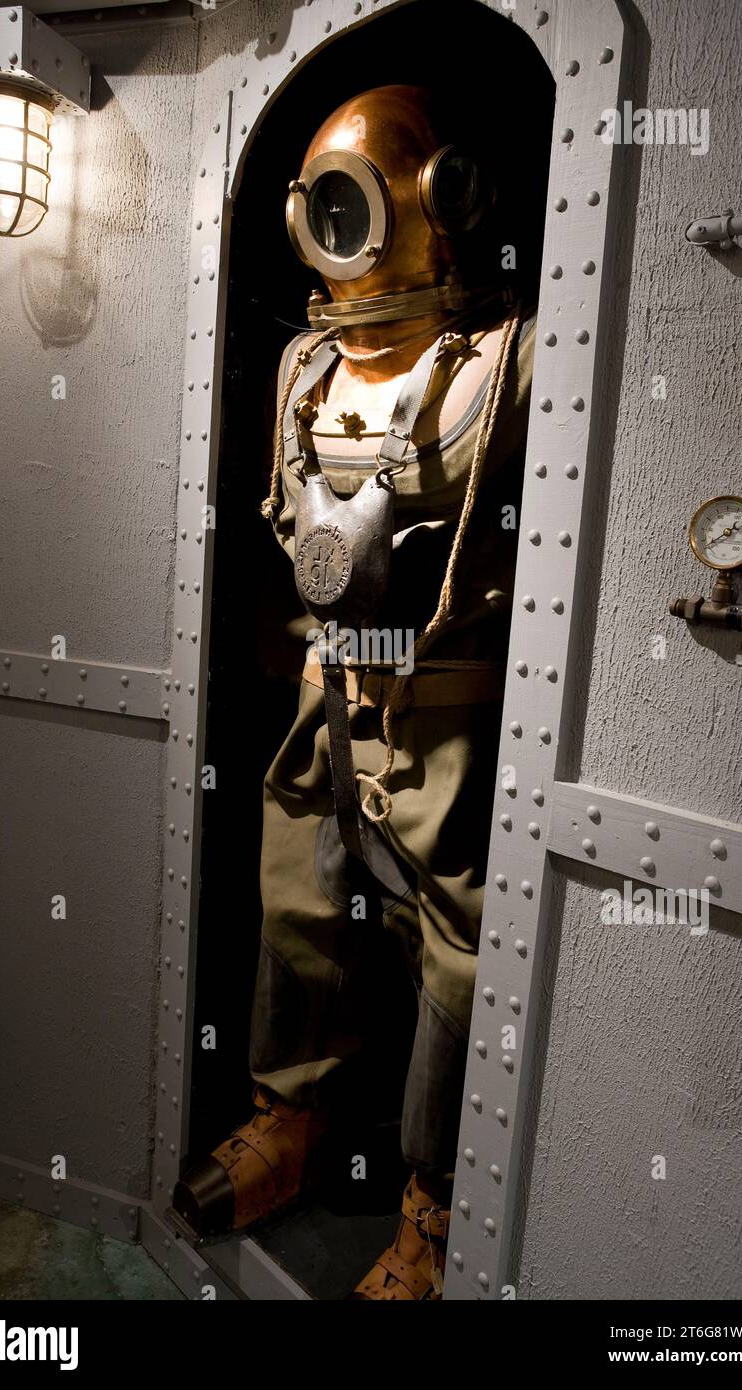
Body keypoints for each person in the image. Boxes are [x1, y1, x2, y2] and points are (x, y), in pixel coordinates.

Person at [173, 84, 536, 1301]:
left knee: (461, 949)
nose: (345, 221)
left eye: (366, 195)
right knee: (299, 900)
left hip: (449, 710)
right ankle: (291, 1115)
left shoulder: (512, 361)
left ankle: (434, 1201)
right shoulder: (303, 369)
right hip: (324, 693)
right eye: (324, 203)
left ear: (442, 200)